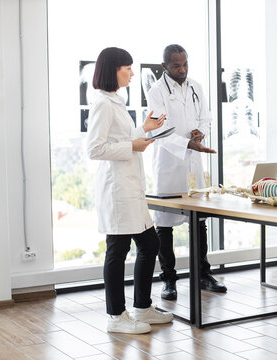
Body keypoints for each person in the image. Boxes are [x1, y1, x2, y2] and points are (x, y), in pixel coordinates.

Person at [86, 47, 173, 334]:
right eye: (127, 68)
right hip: (117, 189)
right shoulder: (102, 103)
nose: (132, 73)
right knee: (118, 249)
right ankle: (116, 317)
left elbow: (123, 140)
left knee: (149, 244)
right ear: (113, 70)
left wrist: (143, 130)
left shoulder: (115, 101)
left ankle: (142, 307)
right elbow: (95, 149)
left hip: (129, 186)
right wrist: (132, 145)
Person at [147, 44, 226, 300]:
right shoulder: (156, 91)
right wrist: (186, 143)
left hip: (193, 161)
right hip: (168, 164)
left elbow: (206, 118)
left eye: (185, 64)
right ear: (164, 67)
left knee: (199, 221)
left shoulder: (196, 87)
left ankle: (203, 274)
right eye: (176, 66)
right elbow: (158, 131)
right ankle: (168, 280)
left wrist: (200, 132)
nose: (182, 70)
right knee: (165, 225)